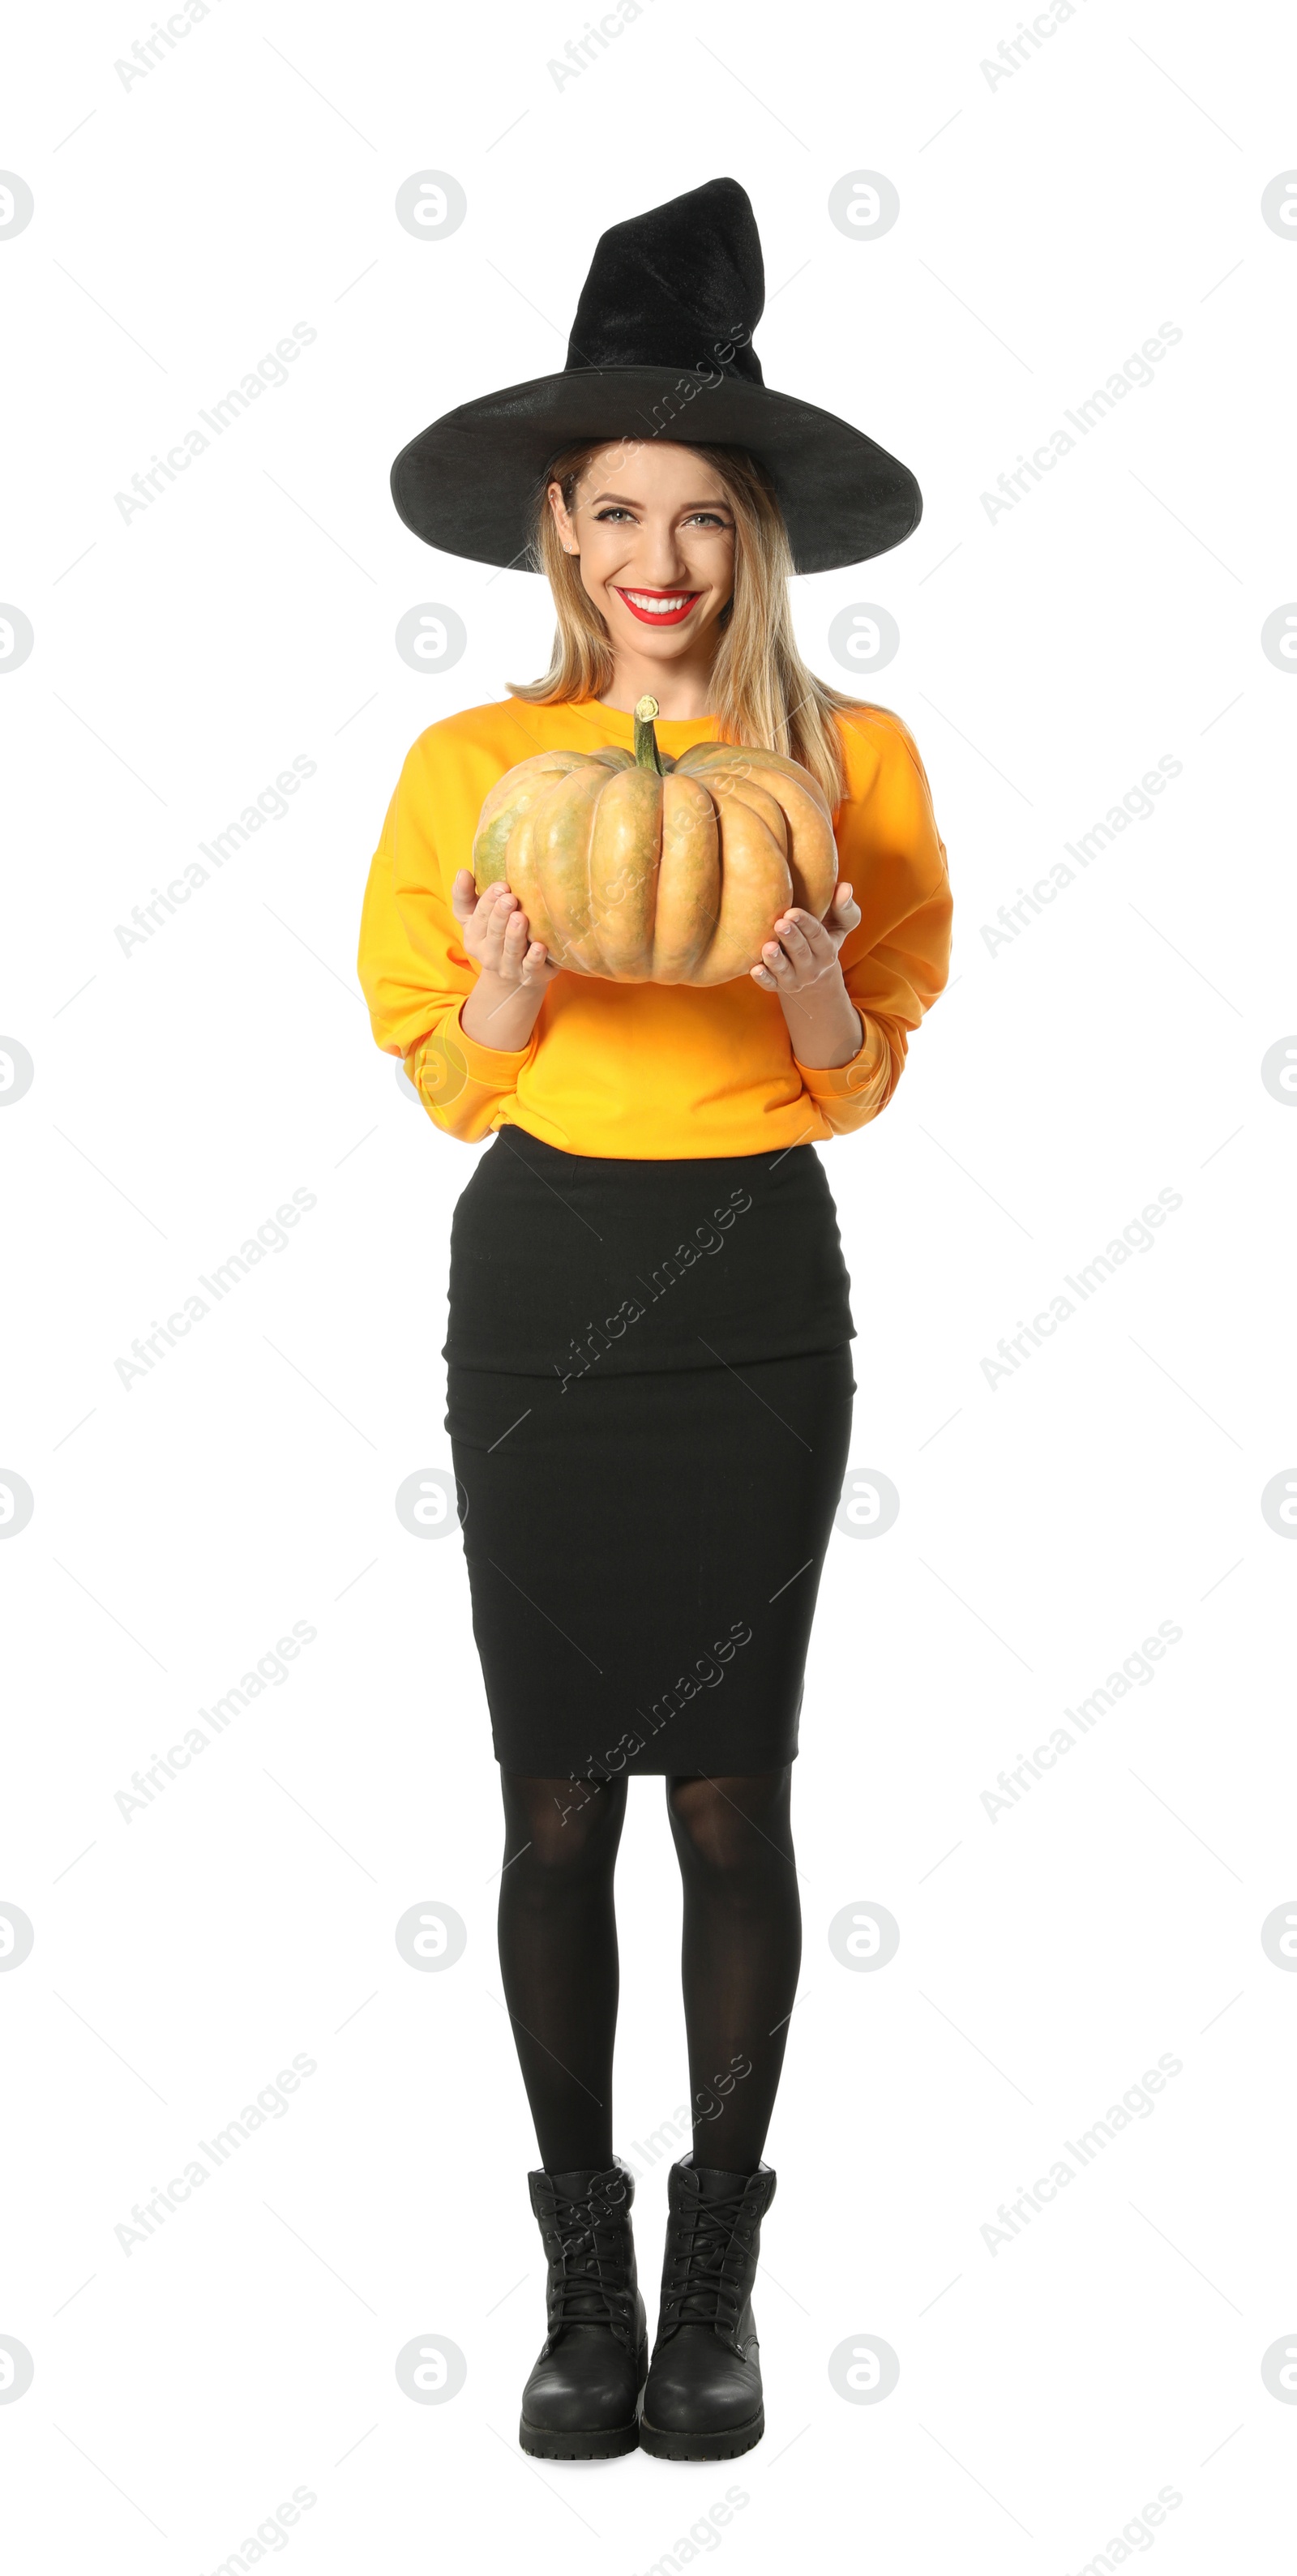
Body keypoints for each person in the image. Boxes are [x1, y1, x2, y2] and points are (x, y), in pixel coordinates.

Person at [357, 175, 952, 2466]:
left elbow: (872, 1069)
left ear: (753, 535)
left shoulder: (850, 773)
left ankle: (717, 2294)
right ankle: (578, 2292)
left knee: (729, 1796)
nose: (662, 560)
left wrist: (813, 1010)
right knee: (545, 1804)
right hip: (542, 1295)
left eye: (702, 514)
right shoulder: (470, 779)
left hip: (754, 1305)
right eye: (621, 510)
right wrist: (503, 1011)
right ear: (561, 524)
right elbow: (438, 1077)